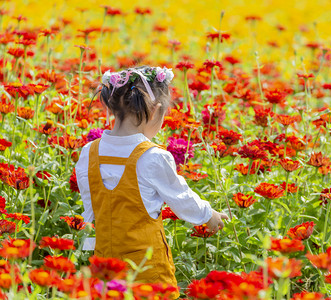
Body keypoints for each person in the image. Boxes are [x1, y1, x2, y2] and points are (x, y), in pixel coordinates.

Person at [75, 66, 228, 296]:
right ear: (156, 112)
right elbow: (181, 198)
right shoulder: (152, 156)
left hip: (105, 267)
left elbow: (90, 208)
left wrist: (88, 247)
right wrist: (209, 215)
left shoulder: (89, 153)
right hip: (147, 271)